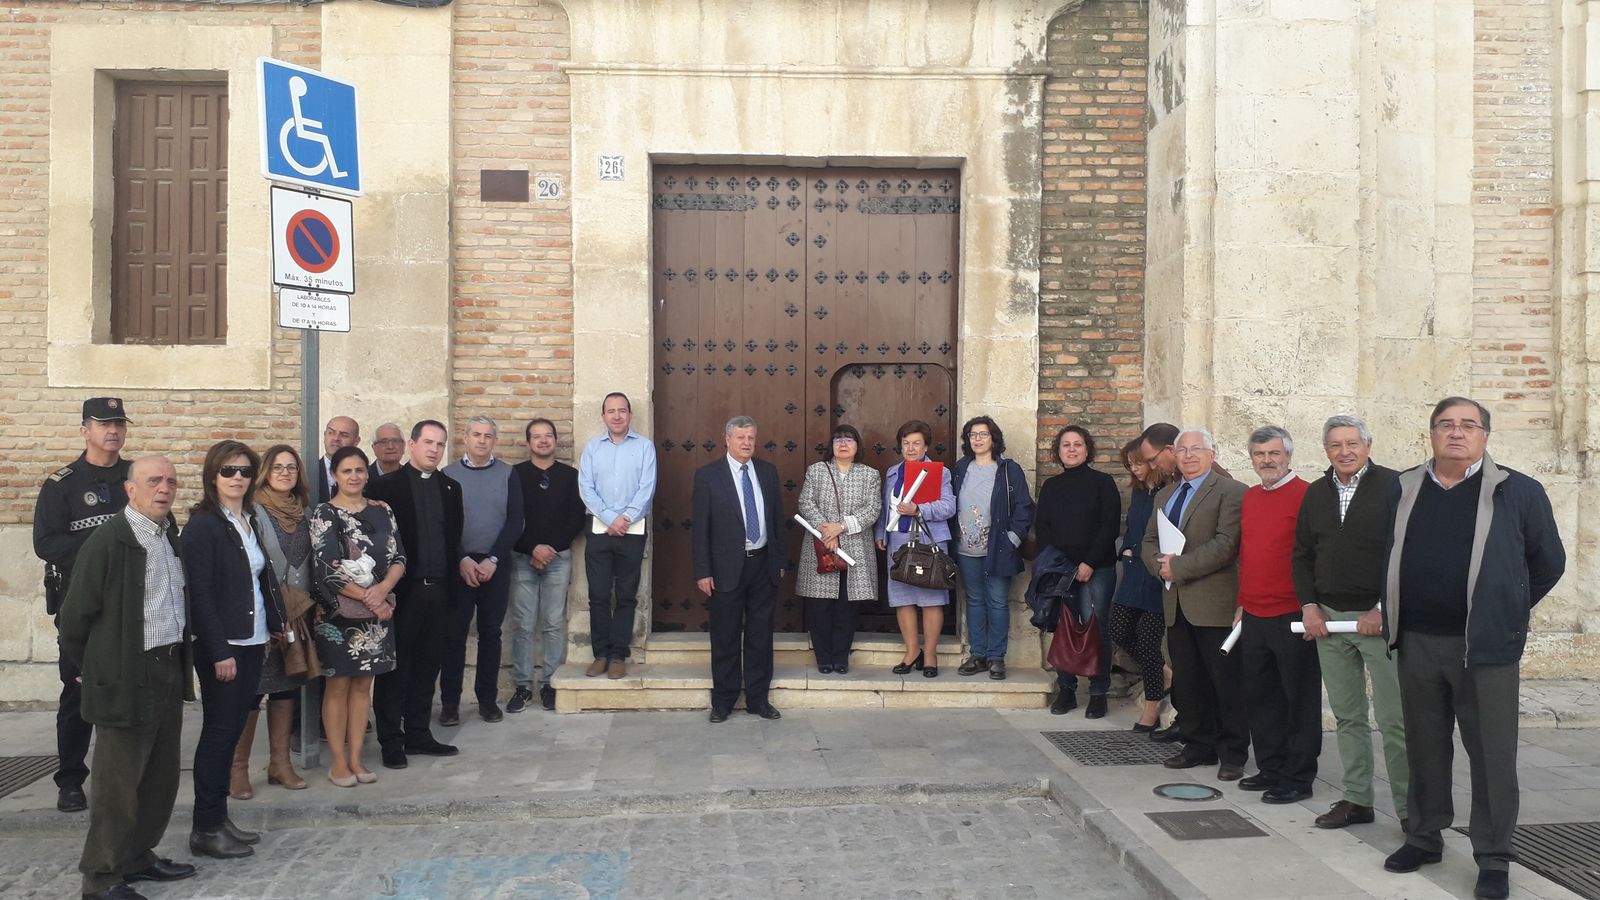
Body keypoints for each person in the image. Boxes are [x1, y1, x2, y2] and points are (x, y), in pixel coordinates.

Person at [1380, 398, 1565, 900]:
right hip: (1417, 641)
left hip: (1485, 649)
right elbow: (1385, 553)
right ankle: (1423, 835)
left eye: (1468, 425)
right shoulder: (1403, 487)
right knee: (1424, 744)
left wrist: (1504, 609)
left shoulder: (1518, 491)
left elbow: (1548, 562)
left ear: (1485, 435)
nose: (1456, 433)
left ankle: (1494, 856)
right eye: (1446, 425)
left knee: (1492, 755)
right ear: (1432, 433)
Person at [59, 456, 197, 900]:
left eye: (171, 481)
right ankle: (100, 878)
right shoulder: (108, 541)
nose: (165, 488)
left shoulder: (167, 536)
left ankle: (137, 857)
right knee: (117, 784)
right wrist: (91, 669)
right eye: (154, 480)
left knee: (160, 776)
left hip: (168, 668)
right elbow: (74, 617)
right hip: (125, 674)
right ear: (130, 490)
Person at [1292, 414, 1409, 830]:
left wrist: (1383, 607)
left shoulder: (1395, 487)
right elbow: (1303, 553)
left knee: (1396, 720)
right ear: (1326, 450)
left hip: (1380, 621)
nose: (1344, 452)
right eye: (1335, 445)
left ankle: (1413, 813)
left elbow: (1404, 553)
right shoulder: (1316, 492)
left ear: (1368, 444)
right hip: (1329, 621)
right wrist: (1309, 606)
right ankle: (1358, 800)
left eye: (1352, 444)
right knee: (1348, 716)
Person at [182, 440, 286, 860]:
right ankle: (205, 827)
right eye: (228, 471)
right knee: (219, 734)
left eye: (245, 470)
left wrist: (275, 626)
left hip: (253, 641)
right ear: (212, 476)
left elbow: (259, 579)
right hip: (224, 647)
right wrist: (219, 649)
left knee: (231, 734)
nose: (238, 477)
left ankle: (218, 818)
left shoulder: (247, 519)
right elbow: (199, 594)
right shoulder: (203, 525)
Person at [32, 396, 132, 814]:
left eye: (119, 424)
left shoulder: (137, 476)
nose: (112, 431)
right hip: (83, 606)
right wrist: (100, 553)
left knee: (132, 688)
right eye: (102, 423)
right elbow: (46, 543)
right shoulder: (62, 484)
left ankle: (128, 774)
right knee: (78, 692)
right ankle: (71, 780)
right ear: (84, 430)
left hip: (134, 602)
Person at [1141, 427, 1250, 780]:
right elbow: (1149, 539)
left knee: (1226, 681)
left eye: (1196, 449)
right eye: (1183, 450)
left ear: (1212, 454)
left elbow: (1226, 544)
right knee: (1189, 680)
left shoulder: (1232, 492)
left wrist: (1179, 567)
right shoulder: (1166, 495)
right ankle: (1198, 745)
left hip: (1214, 603)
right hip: (1175, 602)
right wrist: (1159, 567)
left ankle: (1232, 752)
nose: (1188, 456)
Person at [367, 420, 464, 769]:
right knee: (395, 670)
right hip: (402, 594)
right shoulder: (384, 487)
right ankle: (391, 741)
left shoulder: (452, 488)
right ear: (412, 445)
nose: (434, 449)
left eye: (440, 444)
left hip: (439, 591)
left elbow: (453, 541)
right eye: (427, 442)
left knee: (427, 666)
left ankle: (420, 734)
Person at [1234, 426, 1320, 805]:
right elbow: (1248, 553)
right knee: (1261, 696)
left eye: (1273, 454)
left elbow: (1314, 556)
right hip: (1253, 612)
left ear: (1288, 456)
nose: (1266, 461)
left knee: (1297, 699)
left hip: (1292, 614)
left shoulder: (1307, 495)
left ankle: (1298, 776)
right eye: (1259, 455)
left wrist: (1311, 607)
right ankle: (1270, 766)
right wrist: (1240, 602)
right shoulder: (1251, 497)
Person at [311, 445, 403, 787]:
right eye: (347, 471)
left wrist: (382, 593)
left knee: (365, 687)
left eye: (360, 470)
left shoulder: (382, 511)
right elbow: (326, 568)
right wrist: (370, 597)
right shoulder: (325, 513)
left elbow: (399, 557)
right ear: (335, 475)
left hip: (377, 615)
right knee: (337, 686)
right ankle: (337, 761)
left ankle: (356, 759)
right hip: (340, 615)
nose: (354, 476)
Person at [232, 445, 314, 797]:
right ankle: (238, 768)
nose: (285, 473)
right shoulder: (252, 511)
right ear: (265, 472)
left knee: (286, 687)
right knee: (252, 692)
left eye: (291, 467)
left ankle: (280, 763)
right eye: (278, 467)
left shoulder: (305, 513)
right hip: (263, 614)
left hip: (296, 616)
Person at [694, 416, 786, 722]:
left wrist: (779, 562)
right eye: (741, 437)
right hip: (724, 569)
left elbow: (777, 522)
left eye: (751, 438)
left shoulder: (768, 472)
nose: (747, 443)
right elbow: (700, 529)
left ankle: (758, 699)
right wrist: (703, 570)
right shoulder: (708, 476)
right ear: (727, 439)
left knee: (760, 636)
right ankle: (723, 700)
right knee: (725, 636)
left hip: (762, 565)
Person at [440, 416, 524, 724]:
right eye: (476, 434)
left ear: (495, 440)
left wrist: (494, 559)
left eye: (488, 435)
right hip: (459, 565)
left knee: (491, 633)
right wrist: (461, 558)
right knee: (454, 635)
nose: (482, 440)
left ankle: (487, 700)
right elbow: (443, 525)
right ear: (465, 438)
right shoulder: (447, 475)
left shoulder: (507, 474)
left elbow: (515, 521)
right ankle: (450, 703)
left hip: (495, 564)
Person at [1035, 425, 1120, 714]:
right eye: (1066, 445)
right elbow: (1042, 526)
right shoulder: (1051, 486)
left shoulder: (1103, 482)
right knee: (1063, 627)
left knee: (1097, 626)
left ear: (1087, 449)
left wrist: (1089, 563)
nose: (1071, 449)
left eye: (1078, 444)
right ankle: (1067, 689)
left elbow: (1109, 526)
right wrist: (1057, 563)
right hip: (1062, 569)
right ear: (1057, 451)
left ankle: (1098, 692)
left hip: (1098, 568)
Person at [508, 418, 588, 713]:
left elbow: (577, 518)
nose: (543, 441)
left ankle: (551, 684)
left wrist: (551, 548)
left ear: (556, 440)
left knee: (554, 623)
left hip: (558, 559)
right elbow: (511, 518)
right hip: (522, 558)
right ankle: (522, 686)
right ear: (528, 442)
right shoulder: (514, 475)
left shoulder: (570, 476)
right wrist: (532, 547)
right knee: (523, 625)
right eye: (537, 437)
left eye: (548, 436)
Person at [577, 392, 657, 678]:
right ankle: (600, 654)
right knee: (598, 595)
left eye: (622, 410)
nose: (617, 416)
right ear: (603, 416)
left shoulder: (645, 447)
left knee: (626, 595)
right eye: (611, 411)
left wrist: (625, 518)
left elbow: (647, 487)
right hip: (599, 531)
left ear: (630, 415)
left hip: (633, 531)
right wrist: (611, 518)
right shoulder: (592, 449)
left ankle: (618, 654)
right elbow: (586, 488)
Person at [795, 424, 882, 674]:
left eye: (849, 440)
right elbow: (805, 502)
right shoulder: (817, 471)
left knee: (847, 606)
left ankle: (841, 656)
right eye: (838, 440)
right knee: (820, 606)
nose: (843, 444)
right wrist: (827, 532)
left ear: (857, 446)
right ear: (831, 446)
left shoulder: (869, 474)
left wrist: (841, 527)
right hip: (820, 545)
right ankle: (823, 657)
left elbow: (872, 509)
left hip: (854, 547)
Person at [951, 416, 1034, 681]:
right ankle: (978, 654)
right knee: (974, 600)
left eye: (983, 434)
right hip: (966, 549)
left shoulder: (1009, 470)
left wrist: (1013, 538)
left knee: (997, 601)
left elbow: (1024, 506)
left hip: (999, 547)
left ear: (993, 439)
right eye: (972, 434)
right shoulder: (961, 468)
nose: (977, 439)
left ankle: (997, 657)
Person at [874, 419, 957, 677]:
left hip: (929, 542)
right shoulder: (893, 472)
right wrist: (881, 531)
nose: (910, 448)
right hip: (898, 541)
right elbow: (885, 506)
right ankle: (912, 651)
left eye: (916, 443)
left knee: (931, 600)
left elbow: (948, 506)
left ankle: (930, 654)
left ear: (926, 447)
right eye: (906, 443)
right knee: (903, 599)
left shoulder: (940, 473)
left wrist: (919, 509)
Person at [1108, 438, 1169, 733]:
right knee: (1118, 628)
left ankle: (1152, 706)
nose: (1134, 469)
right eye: (1129, 464)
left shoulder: (1168, 492)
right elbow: (1133, 527)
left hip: (1156, 574)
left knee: (1147, 642)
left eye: (1138, 463)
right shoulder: (1140, 491)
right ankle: (1163, 672)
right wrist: (1127, 551)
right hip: (1134, 572)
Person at [316, 416, 361, 503]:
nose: (336, 438)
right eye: (331, 433)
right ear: (324, 435)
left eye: (344, 435)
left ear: (356, 441)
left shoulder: (365, 477)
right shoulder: (307, 473)